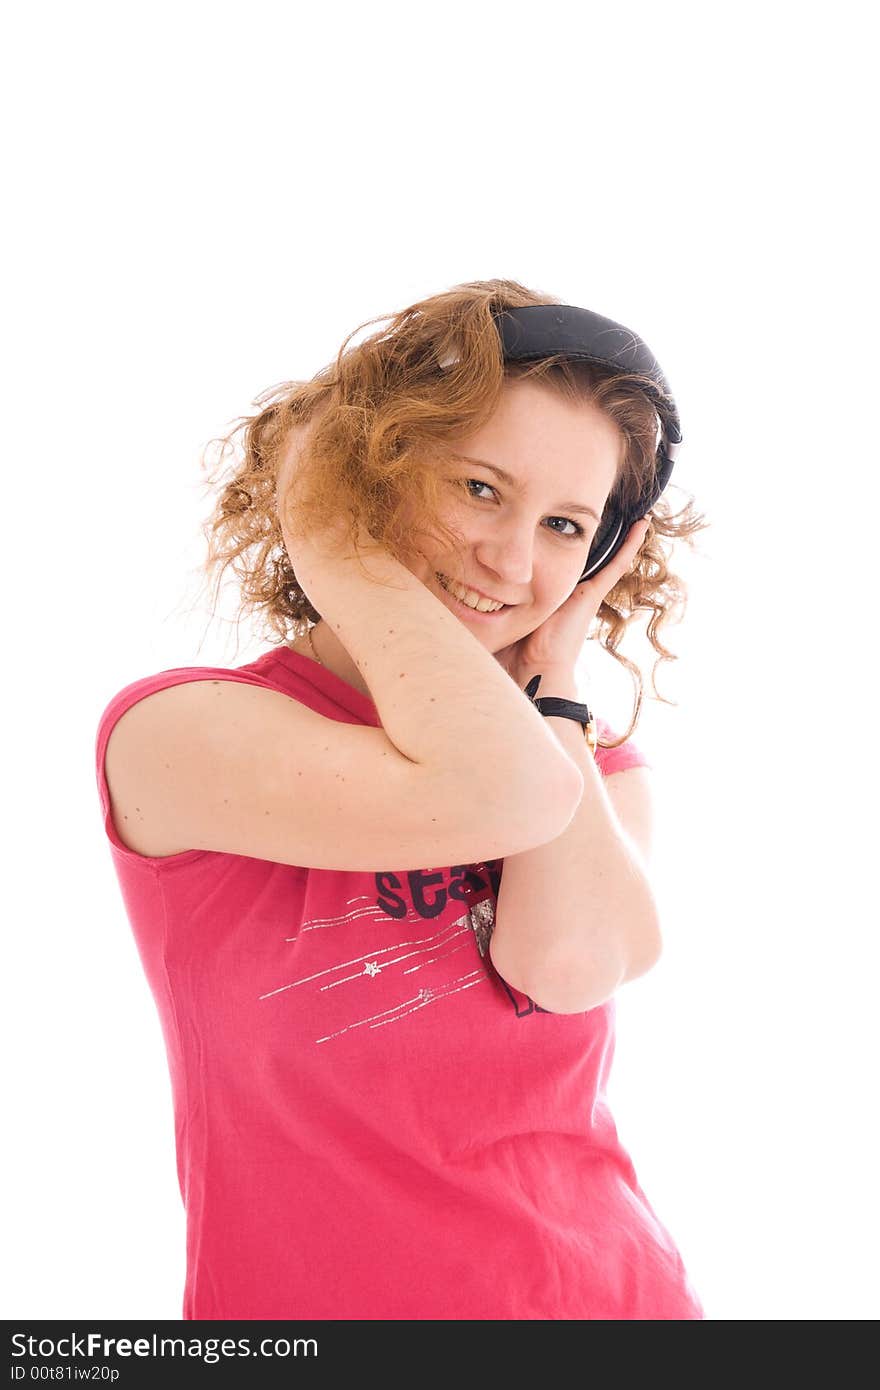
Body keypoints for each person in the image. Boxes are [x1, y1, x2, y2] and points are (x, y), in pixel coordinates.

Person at [95, 279, 708, 1320]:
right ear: (377, 465)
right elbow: (500, 795)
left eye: (567, 525)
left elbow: (563, 966)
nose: (513, 561)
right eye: (478, 488)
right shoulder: (179, 733)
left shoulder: (586, 762)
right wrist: (323, 523)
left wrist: (555, 683)